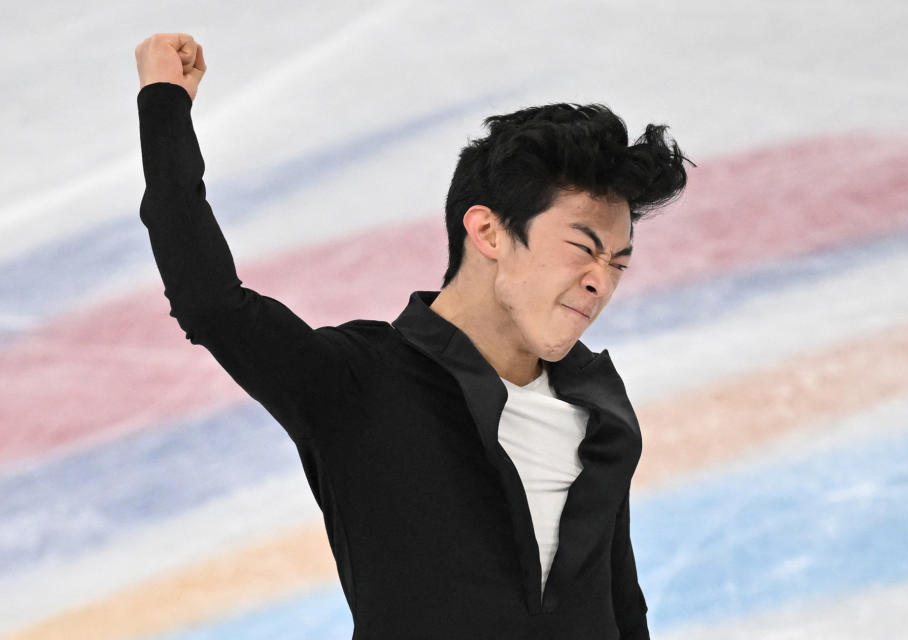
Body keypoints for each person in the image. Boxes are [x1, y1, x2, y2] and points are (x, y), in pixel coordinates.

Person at [134, 32, 688, 640]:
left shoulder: (597, 403)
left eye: (617, 263)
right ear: (489, 232)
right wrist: (165, 107)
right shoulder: (358, 385)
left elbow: (619, 608)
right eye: (582, 248)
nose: (599, 283)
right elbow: (210, 303)